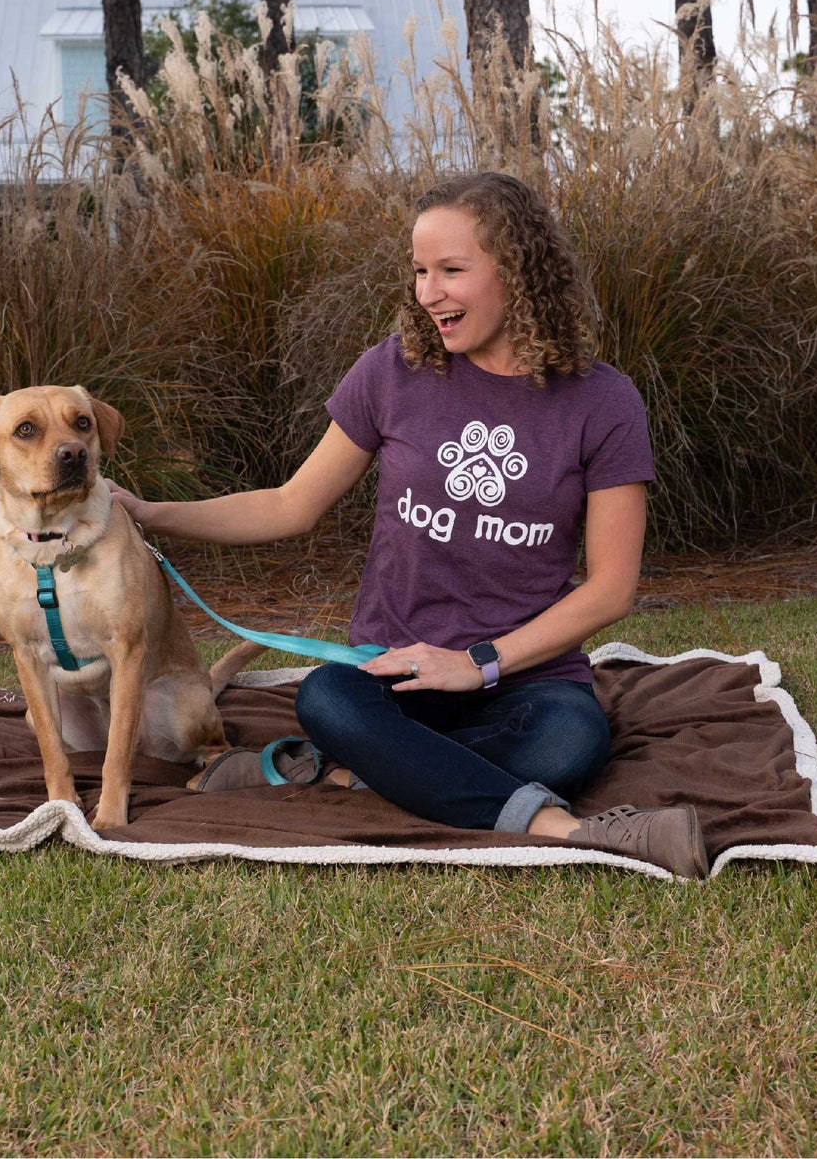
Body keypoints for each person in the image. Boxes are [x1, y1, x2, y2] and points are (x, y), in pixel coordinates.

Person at [110, 171, 707, 879]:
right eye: (421, 271)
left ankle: (341, 777)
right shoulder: (391, 372)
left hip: (524, 677)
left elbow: (611, 588)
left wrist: (479, 662)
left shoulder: (602, 401)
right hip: (392, 674)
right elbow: (288, 504)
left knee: (570, 743)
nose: (429, 293)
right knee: (326, 696)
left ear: (517, 272)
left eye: (452, 270)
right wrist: (149, 514)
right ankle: (564, 826)